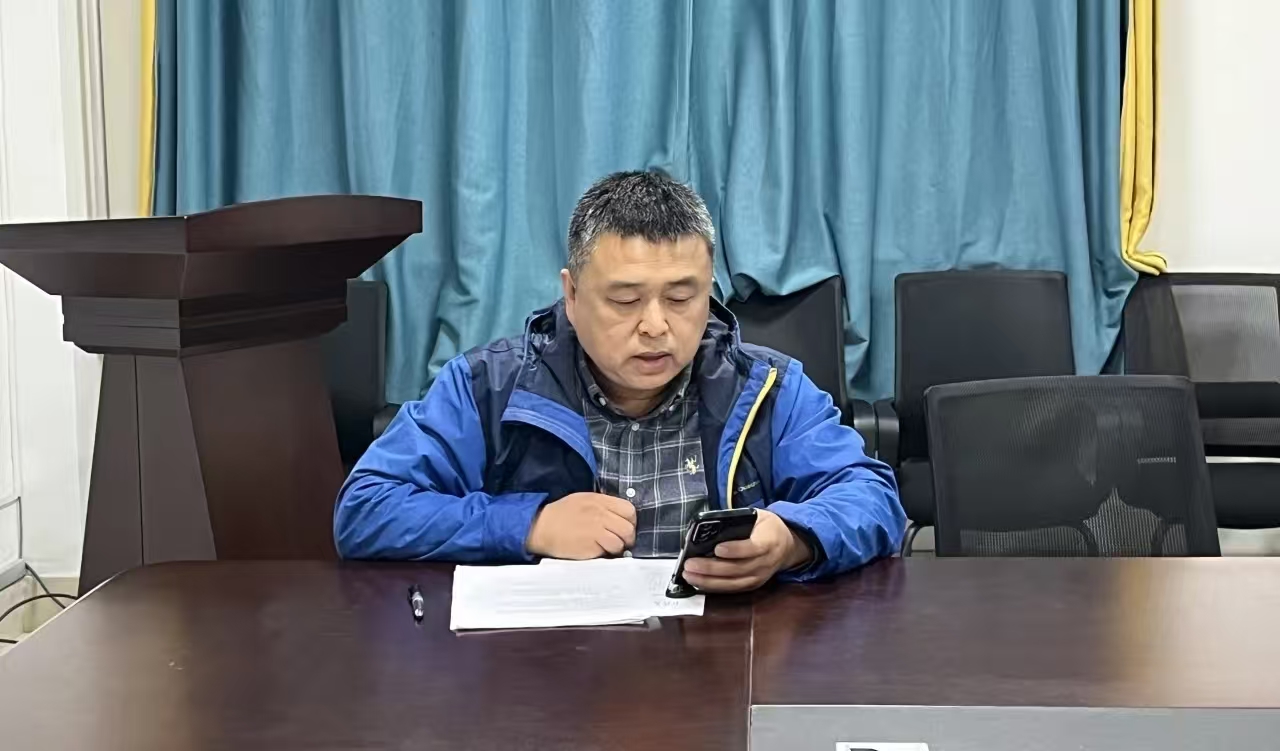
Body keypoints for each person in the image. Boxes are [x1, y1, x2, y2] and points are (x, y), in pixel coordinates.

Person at [334, 171, 905, 591]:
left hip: (723, 664)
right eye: (626, 300)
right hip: (544, 671)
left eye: (681, 298)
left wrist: (791, 538)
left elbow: (873, 497)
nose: (655, 326)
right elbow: (366, 509)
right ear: (572, 295)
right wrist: (529, 525)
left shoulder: (766, 386)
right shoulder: (489, 386)